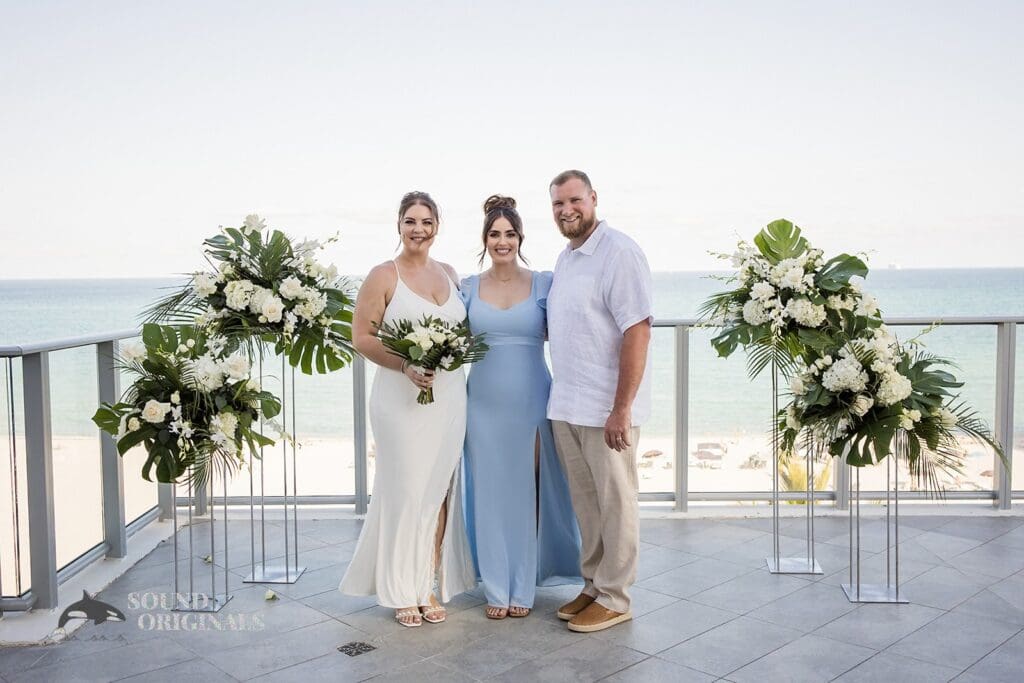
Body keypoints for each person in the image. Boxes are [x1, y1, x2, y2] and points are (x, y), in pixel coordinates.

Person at [339, 191, 476, 628]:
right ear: (398, 225)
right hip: (400, 402)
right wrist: (406, 364)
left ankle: (427, 584)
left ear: (438, 226)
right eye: (411, 221)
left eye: (427, 221)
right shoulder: (383, 275)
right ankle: (401, 590)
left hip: (450, 400)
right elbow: (362, 337)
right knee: (405, 491)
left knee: (436, 494)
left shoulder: (451, 274)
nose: (419, 229)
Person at [461, 195, 582, 620]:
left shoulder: (545, 282)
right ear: (484, 239)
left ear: (520, 237)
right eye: (494, 234)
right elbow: (449, 344)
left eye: (509, 234)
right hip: (482, 405)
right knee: (491, 494)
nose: (502, 241)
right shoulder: (468, 287)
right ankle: (496, 585)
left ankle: (523, 586)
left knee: (526, 493)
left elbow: (573, 329)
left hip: (532, 400)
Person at [545, 170, 653, 633]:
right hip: (567, 404)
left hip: (605, 410)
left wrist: (622, 408)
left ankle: (615, 596)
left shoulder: (620, 252)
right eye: (557, 204)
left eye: (574, 200)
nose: (567, 210)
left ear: (593, 198)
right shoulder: (567, 258)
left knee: (616, 504)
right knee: (586, 506)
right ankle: (593, 583)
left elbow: (638, 329)